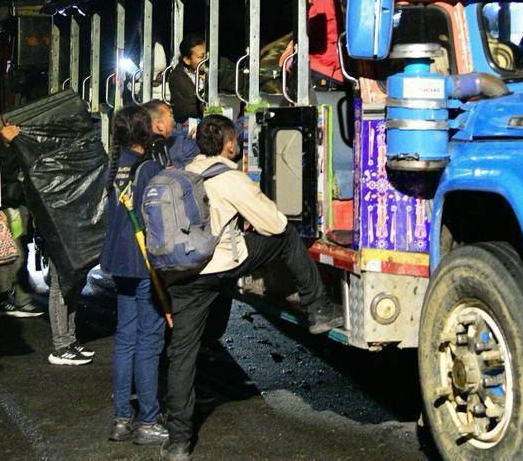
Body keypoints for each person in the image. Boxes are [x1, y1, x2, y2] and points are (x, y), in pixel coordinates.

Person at [161, 115, 343, 460]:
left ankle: (178, 442)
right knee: (287, 237)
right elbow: (274, 223)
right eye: (236, 139)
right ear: (229, 144)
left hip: (182, 274)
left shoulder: (185, 171)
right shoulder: (231, 177)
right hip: (218, 264)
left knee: (182, 355)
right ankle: (318, 307)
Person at [99, 106, 169, 446]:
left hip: (118, 261)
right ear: (146, 132)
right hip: (143, 263)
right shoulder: (150, 168)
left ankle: (122, 419)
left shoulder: (114, 167)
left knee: (125, 338)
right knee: (149, 341)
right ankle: (148, 421)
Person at [0, 111, 42, 318]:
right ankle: (10, 298)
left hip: (13, 207)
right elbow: (5, 173)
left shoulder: (4, 144)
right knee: (10, 253)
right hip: (7, 208)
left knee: (12, 251)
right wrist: (7, 145)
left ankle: (11, 297)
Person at [144, 100, 199, 168]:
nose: (173, 120)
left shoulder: (137, 150)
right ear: (160, 126)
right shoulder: (184, 146)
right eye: (170, 116)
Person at [168, 35, 207, 124]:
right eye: (201, 57)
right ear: (187, 60)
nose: (206, 60)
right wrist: (203, 108)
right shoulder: (178, 78)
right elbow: (182, 109)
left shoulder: (216, 70)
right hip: (191, 122)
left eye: (207, 55)